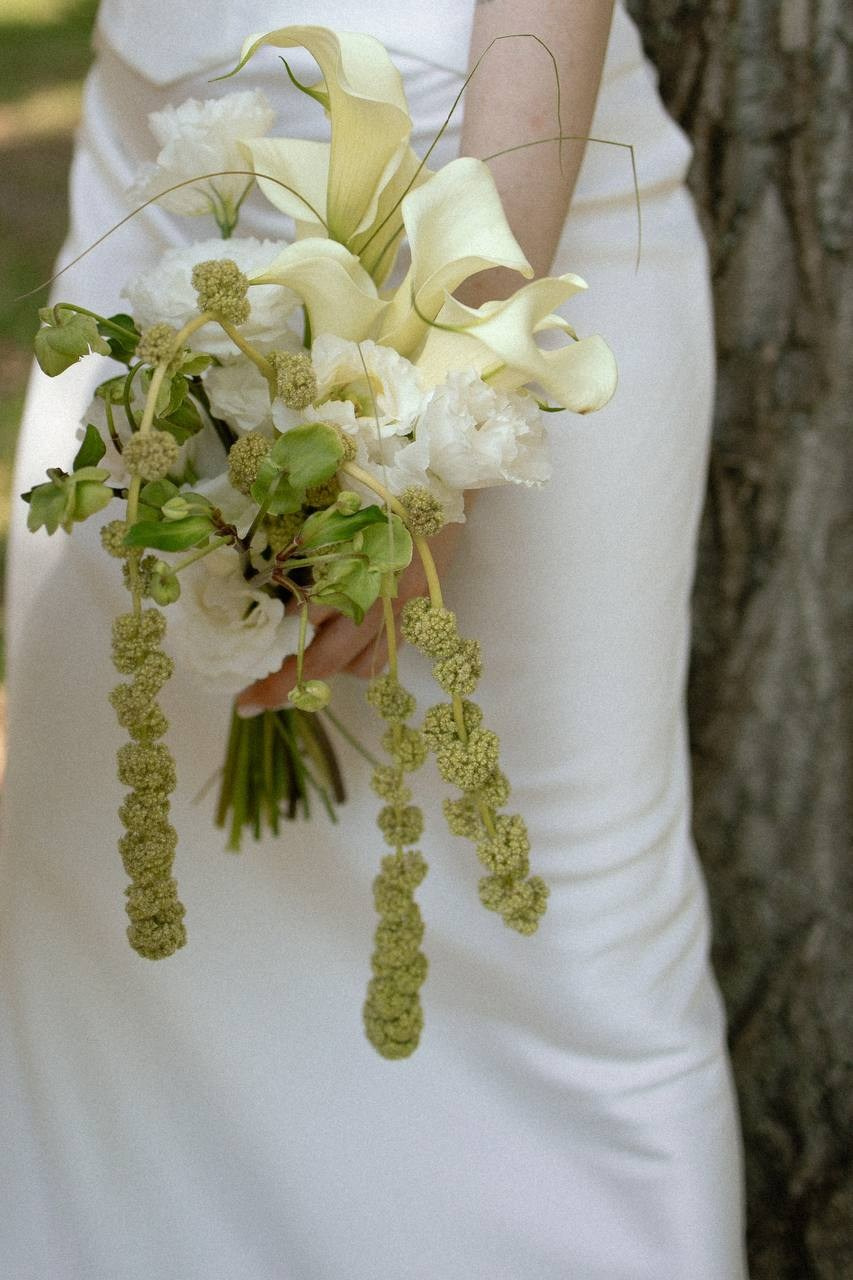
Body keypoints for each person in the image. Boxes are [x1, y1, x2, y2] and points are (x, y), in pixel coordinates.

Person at [0, 2, 749, 1276]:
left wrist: (451, 419)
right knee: (119, 924)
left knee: (558, 946)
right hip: (160, 179)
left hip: (500, 201)